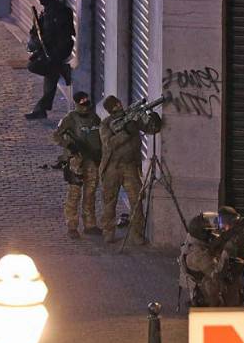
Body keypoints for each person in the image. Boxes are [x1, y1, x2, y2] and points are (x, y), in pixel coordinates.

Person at [98, 95, 162, 244]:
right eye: (115, 106)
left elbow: (152, 128)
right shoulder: (106, 124)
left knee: (136, 200)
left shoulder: (131, 117)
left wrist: (151, 116)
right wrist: (126, 131)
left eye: (119, 103)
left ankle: (136, 234)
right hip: (112, 167)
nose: (119, 106)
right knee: (109, 201)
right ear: (109, 110)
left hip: (130, 166)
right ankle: (108, 232)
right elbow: (110, 143)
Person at [52, 91, 102, 239]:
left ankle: (90, 224)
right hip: (77, 161)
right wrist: (69, 146)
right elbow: (56, 135)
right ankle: (72, 226)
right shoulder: (70, 119)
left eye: (87, 100)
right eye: (82, 101)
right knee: (74, 193)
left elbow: (100, 135)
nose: (85, 103)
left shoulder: (94, 118)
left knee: (90, 192)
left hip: (92, 160)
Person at [25, 0, 75, 120]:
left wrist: (46, 45)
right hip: (51, 49)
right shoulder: (46, 12)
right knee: (51, 73)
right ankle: (41, 109)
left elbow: (59, 33)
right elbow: (37, 30)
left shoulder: (60, 12)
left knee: (38, 67)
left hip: (60, 49)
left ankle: (62, 68)